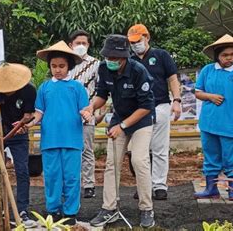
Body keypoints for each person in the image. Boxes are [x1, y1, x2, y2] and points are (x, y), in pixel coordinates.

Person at [86, 35, 156, 228]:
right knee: (112, 163)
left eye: (116, 58)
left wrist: (122, 126)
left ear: (125, 57)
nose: (111, 61)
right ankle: (109, 209)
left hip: (141, 120)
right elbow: (102, 94)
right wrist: (91, 107)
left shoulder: (138, 71)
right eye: (108, 57)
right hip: (119, 117)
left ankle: (146, 208)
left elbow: (146, 107)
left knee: (139, 160)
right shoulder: (103, 68)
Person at [25, 41, 89, 226]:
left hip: (72, 140)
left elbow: (85, 110)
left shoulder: (77, 87)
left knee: (71, 177)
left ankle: (70, 212)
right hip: (50, 140)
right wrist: (30, 123)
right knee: (52, 176)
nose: (58, 70)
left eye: (61, 66)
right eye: (54, 66)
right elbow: (39, 113)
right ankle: (53, 210)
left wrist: (86, 113)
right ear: (50, 67)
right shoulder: (44, 88)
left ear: (69, 66)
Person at [194, 34, 233, 201]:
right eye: (225, 55)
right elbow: (198, 92)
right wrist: (210, 96)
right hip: (209, 122)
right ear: (217, 56)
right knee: (210, 157)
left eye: (232, 55)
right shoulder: (207, 70)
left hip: (230, 123)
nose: (229, 58)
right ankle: (210, 189)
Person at [128, 24, 181, 200]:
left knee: (159, 147)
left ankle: (159, 185)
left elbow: (172, 78)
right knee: (140, 151)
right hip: (138, 109)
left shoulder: (161, 55)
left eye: (138, 40)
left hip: (160, 105)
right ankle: (143, 185)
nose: (136, 45)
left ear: (147, 37)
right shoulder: (129, 60)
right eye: (132, 42)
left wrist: (177, 100)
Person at [0, 63, 37, 227]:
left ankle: (22, 209)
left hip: (18, 133)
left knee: (22, 169)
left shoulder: (28, 91)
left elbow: (29, 114)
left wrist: (23, 124)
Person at [68, 29, 101, 198]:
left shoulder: (96, 64)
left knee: (87, 149)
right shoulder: (65, 65)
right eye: (77, 43)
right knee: (70, 150)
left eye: (84, 43)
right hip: (67, 114)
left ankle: (89, 184)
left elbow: (101, 90)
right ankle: (71, 183)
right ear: (70, 45)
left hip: (88, 112)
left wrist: (96, 110)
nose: (81, 46)